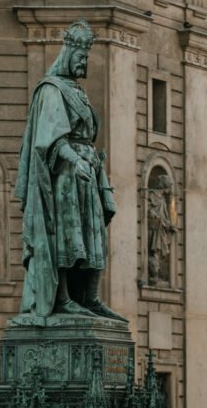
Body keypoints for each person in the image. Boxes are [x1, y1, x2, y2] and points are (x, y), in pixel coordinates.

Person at [15, 18, 125, 320]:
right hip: (65, 177)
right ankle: (62, 298)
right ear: (68, 54)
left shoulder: (77, 90)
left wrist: (89, 162)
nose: (84, 62)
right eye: (80, 56)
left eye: (87, 57)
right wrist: (75, 160)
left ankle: (89, 298)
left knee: (92, 235)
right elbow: (49, 137)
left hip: (86, 176)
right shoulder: (52, 90)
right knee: (65, 235)